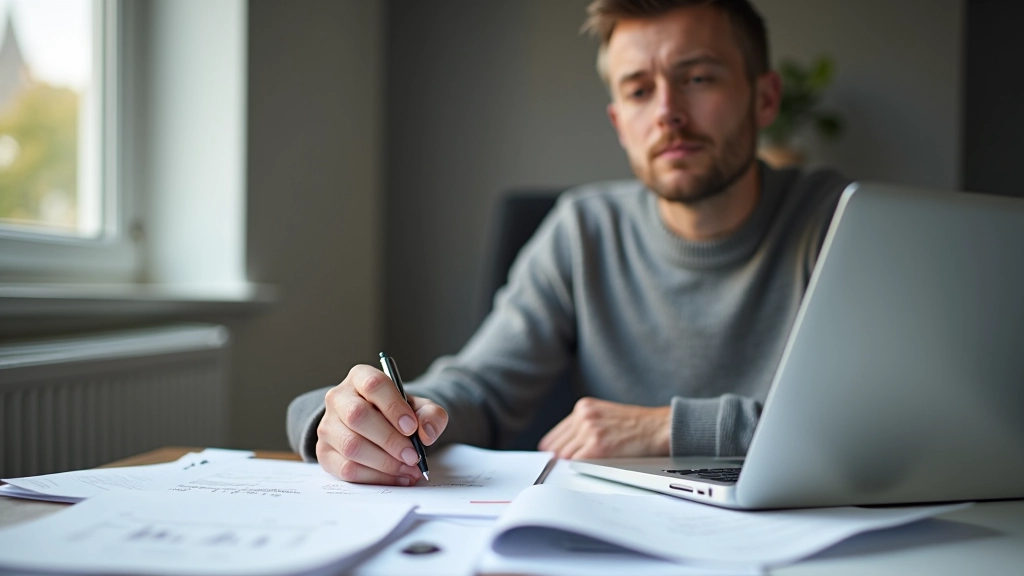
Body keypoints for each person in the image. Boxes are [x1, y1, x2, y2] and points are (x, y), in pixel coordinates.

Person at [287, 0, 850, 486]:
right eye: (638, 90)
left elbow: (898, 421)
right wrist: (358, 420)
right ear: (618, 121)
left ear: (765, 98)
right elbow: (479, 388)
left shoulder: (843, 221)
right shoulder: (583, 230)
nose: (668, 113)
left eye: (698, 78)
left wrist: (667, 429)